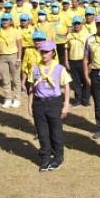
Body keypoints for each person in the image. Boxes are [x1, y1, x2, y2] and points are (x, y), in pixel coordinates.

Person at [27, 40, 71, 172]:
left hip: (54, 102)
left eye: (47, 52)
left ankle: (58, 157)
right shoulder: (35, 68)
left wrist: (66, 104)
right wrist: (30, 104)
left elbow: (66, 87)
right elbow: (31, 87)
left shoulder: (59, 68)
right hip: (39, 103)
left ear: (53, 53)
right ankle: (45, 157)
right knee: (42, 132)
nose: (44, 54)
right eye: (42, 52)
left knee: (55, 131)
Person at [0, 13, 23, 108]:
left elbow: (19, 46)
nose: (4, 21)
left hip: (13, 56)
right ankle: (8, 99)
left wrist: (19, 58)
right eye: (3, 20)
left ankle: (17, 99)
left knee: (16, 79)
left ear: (10, 21)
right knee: (5, 79)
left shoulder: (16, 31)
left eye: (6, 20)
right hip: (2, 57)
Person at [66, 16, 90, 107]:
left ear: (82, 24)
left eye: (78, 23)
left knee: (85, 81)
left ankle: (85, 99)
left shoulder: (87, 35)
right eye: (75, 23)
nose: (77, 25)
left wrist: (89, 62)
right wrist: (66, 61)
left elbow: (89, 50)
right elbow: (66, 49)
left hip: (83, 61)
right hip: (72, 61)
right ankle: (77, 99)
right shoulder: (69, 35)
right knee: (76, 82)